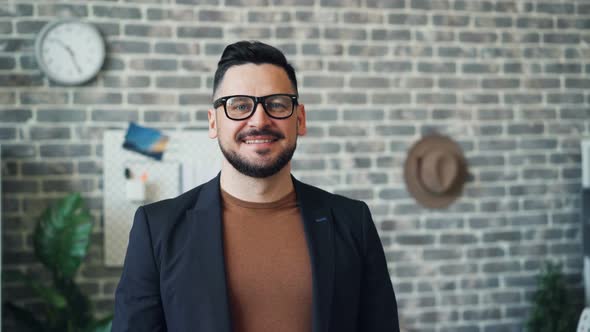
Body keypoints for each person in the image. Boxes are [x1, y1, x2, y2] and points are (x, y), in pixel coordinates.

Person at [112, 40, 400, 332]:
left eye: (276, 104)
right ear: (213, 123)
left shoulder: (353, 221)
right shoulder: (157, 228)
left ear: (299, 119)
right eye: (239, 106)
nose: (259, 120)